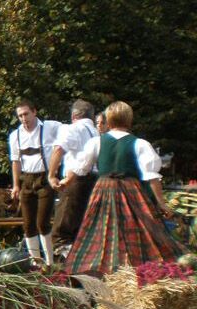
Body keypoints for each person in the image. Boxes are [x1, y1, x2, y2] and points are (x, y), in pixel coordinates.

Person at [65, 101, 184, 275]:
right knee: (136, 227)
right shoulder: (140, 144)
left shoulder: (96, 142)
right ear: (129, 119)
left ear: (109, 119)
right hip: (131, 190)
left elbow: (80, 169)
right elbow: (151, 177)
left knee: (101, 229)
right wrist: (161, 203)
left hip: (103, 190)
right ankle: (137, 268)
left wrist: (64, 181)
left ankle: (103, 269)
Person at [9, 99, 61, 267]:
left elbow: (66, 139)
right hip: (27, 180)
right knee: (28, 223)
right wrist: (16, 185)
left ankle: (50, 262)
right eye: (20, 116)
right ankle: (36, 263)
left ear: (34, 112)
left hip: (45, 178)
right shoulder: (15, 135)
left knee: (42, 222)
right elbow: (15, 161)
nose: (24, 118)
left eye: (26, 114)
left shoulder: (49, 128)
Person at [48, 99, 99, 252]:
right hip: (94, 180)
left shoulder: (72, 129)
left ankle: (61, 271)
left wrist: (51, 175)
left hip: (75, 180)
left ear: (74, 116)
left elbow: (58, 150)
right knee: (80, 228)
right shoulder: (97, 132)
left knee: (62, 230)